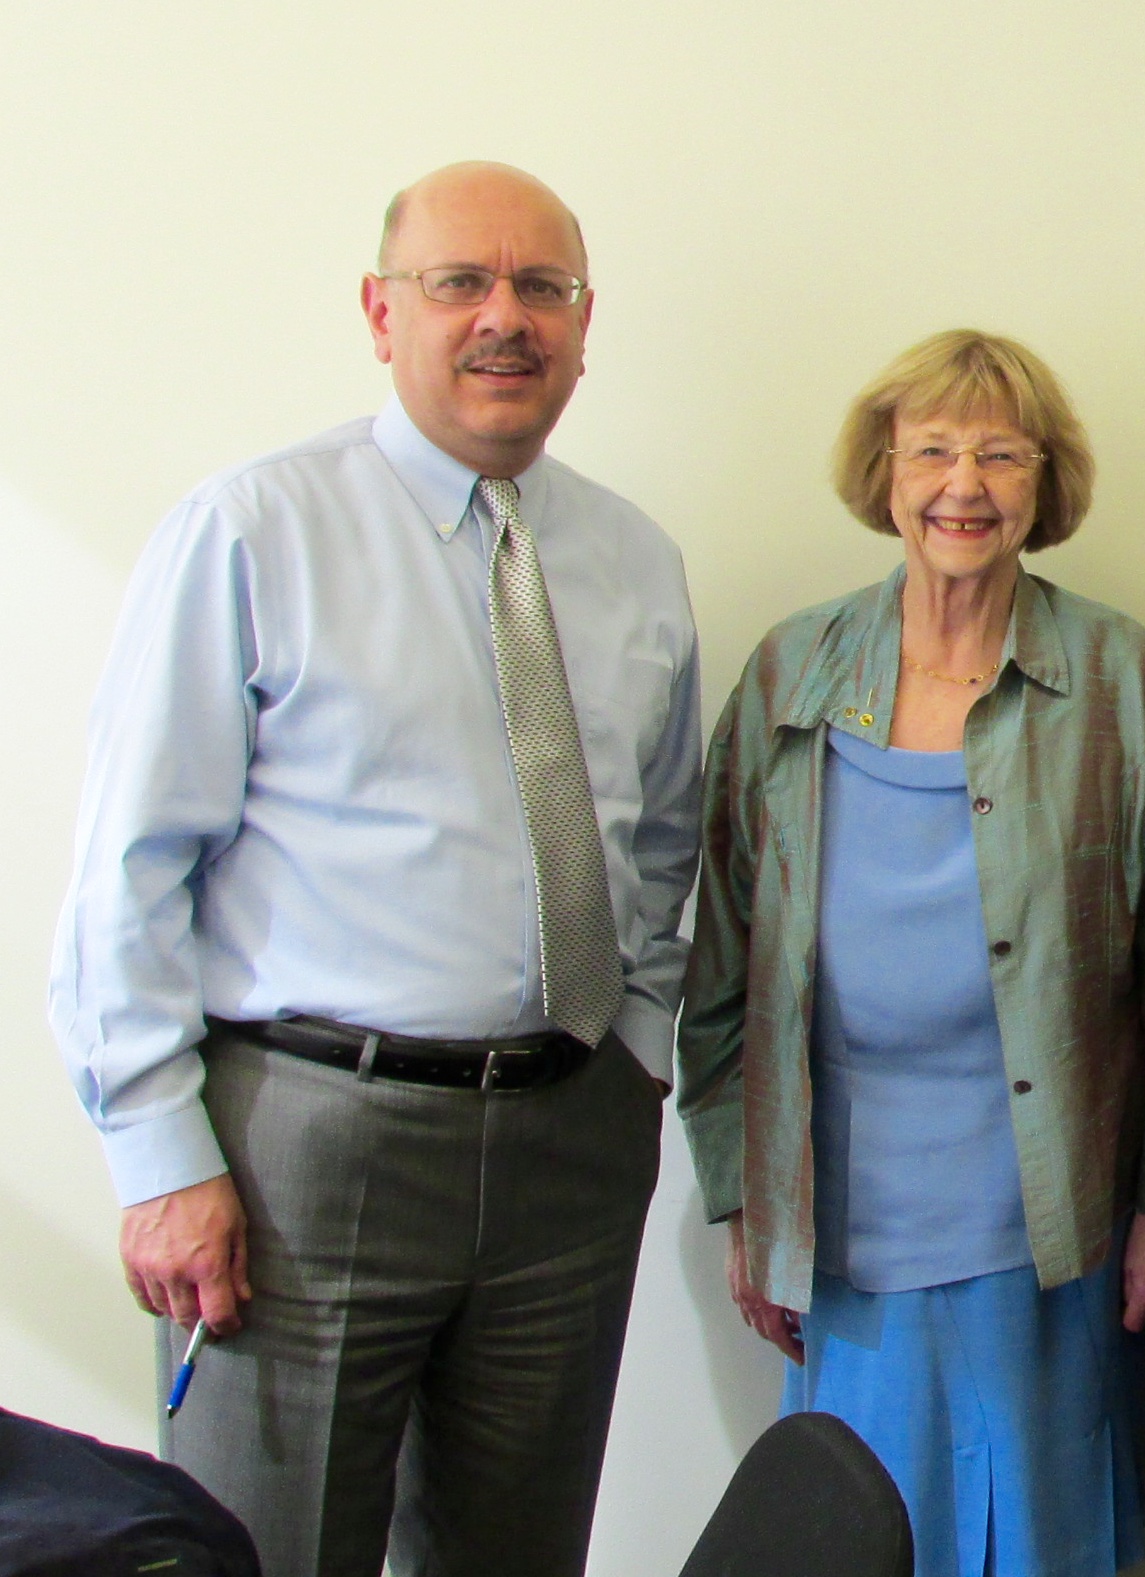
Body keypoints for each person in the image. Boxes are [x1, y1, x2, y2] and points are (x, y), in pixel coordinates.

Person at [49, 162, 701, 1577]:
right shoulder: (253, 532)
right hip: (308, 1153)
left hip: (568, 1150)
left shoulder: (636, 562)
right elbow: (129, 868)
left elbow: (660, 844)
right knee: (266, 1555)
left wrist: (634, 1060)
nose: (503, 317)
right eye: (460, 281)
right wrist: (161, 1155)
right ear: (380, 310)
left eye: (543, 287)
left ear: (586, 327)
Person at [677, 328, 1145, 1577]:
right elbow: (723, 963)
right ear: (886, 473)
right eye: (936, 450)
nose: (966, 483)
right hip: (843, 1225)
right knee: (860, 1529)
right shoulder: (793, 668)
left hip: (1047, 1223)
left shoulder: (1118, 675)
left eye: (1001, 454)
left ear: (1042, 482)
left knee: (1039, 1538)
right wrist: (744, 1196)